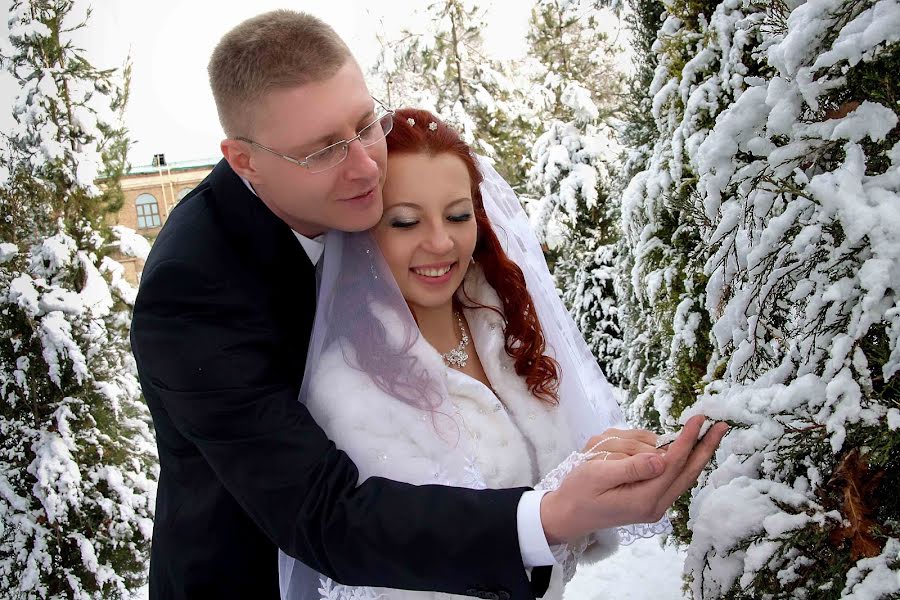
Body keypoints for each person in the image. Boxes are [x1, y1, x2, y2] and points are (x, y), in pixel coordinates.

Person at [130, 10, 728, 600]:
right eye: (322, 152)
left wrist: (572, 479)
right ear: (244, 160)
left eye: (366, 124)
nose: (367, 167)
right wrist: (541, 517)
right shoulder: (192, 293)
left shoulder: (390, 230)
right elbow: (326, 514)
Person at [279, 108, 669, 600]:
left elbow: (559, 515)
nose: (441, 242)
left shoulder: (506, 330)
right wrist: (558, 508)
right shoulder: (349, 388)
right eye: (404, 221)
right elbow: (405, 574)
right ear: (362, 235)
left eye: (458, 215)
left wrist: (595, 470)